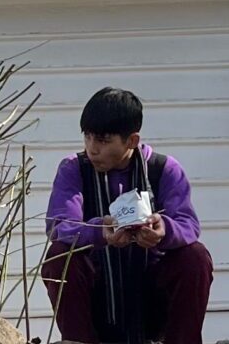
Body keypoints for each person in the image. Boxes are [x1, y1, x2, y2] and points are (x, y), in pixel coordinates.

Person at [41, 87, 212, 344]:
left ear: (132, 140)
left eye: (103, 140)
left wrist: (163, 229)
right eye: (87, 137)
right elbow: (60, 225)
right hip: (97, 295)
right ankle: (78, 341)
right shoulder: (73, 169)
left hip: (150, 295)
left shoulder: (163, 169)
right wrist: (100, 231)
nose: (92, 149)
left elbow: (188, 224)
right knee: (59, 255)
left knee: (195, 257)